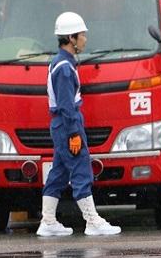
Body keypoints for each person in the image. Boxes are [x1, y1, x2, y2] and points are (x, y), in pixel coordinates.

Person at [36, 12, 121, 237]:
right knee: (81, 169)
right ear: (71, 38)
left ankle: (48, 221)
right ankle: (92, 221)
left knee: (59, 173)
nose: (85, 39)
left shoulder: (61, 63)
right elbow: (66, 105)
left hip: (61, 124)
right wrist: (74, 133)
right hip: (67, 124)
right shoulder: (64, 68)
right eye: (82, 35)